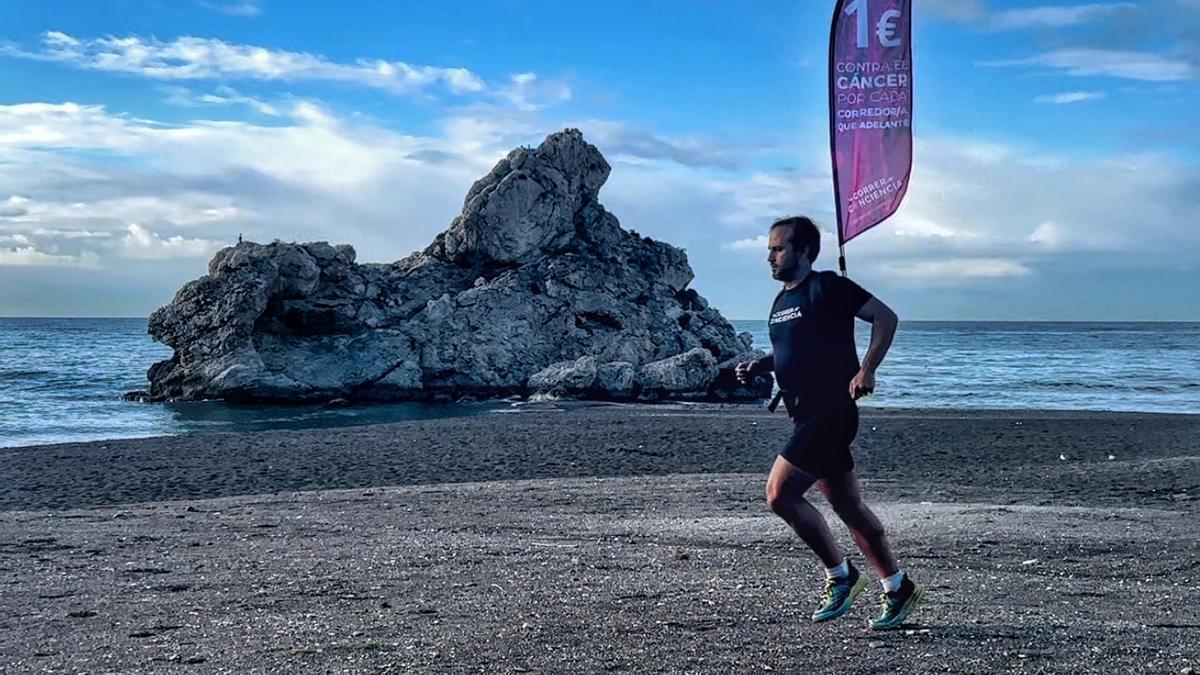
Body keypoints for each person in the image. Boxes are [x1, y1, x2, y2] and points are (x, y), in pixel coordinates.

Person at [735, 216, 923, 630]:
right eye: (769, 249)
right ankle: (898, 586)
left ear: (804, 252)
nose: (771, 256)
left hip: (831, 413)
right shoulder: (781, 301)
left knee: (779, 495)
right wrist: (761, 366)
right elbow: (796, 349)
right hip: (803, 413)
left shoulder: (829, 287)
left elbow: (886, 317)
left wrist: (867, 370)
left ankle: (840, 576)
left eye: (779, 248)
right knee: (847, 506)